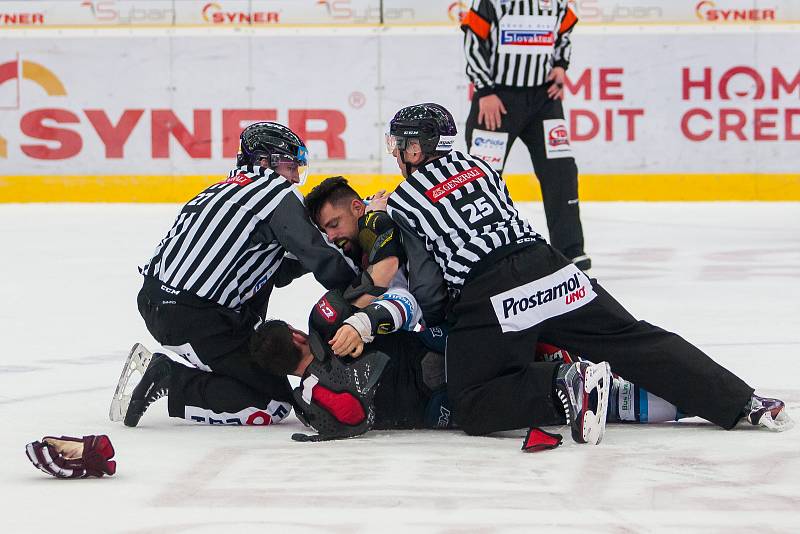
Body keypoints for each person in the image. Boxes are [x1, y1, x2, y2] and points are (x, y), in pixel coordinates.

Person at [382, 102, 792, 440]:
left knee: (471, 400)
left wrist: (385, 218)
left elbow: (430, 287)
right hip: (550, 266)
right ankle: (745, 403)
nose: (397, 155)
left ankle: (564, 381)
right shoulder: (482, 167)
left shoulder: (403, 199)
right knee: (632, 338)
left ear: (416, 149)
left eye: (399, 146)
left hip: (492, 288)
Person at [110, 122, 358, 428]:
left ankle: (223, 358)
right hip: (195, 317)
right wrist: (366, 297)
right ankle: (171, 379)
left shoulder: (220, 189)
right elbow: (322, 260)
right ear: (265, 163)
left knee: (262, 362)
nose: (294, 177)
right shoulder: (274, 192)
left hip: (157, 302)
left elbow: (275, 271)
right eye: (289, 165)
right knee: (274, 404)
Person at [461, 0, 590, 270]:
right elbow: (474, 42)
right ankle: (477, 251)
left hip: (544, 99)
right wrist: (485, 91)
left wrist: (560, 66)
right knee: (482, 177)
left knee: (561, 171)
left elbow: (563, 32)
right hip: (497, 100)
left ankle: (570, 250)